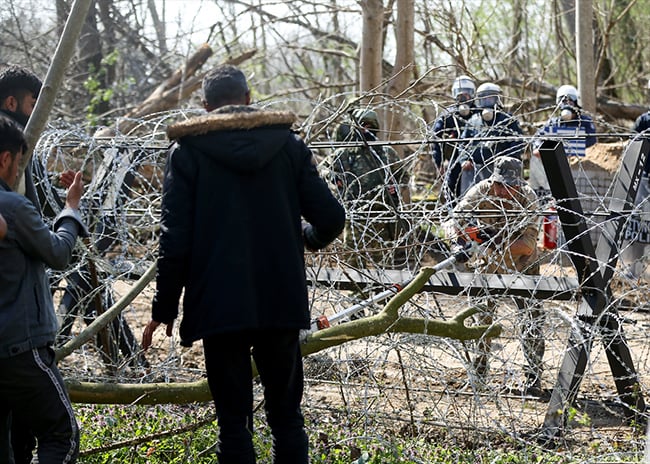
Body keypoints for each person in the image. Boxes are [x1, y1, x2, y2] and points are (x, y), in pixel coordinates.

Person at [142, 65, 345, 463]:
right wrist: (307, 239)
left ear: (205, 107)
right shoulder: (288, 146)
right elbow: (332, 218)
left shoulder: (187, 153)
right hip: (280, 300)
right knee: (287, 418)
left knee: (233, 425)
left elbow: (174, 239)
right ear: (248, 99)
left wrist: (164, 308)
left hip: (220, 304)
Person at [0, 115, 86, 463]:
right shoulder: (12, 207)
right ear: (6, 158)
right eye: (19, 163)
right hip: (20, 349)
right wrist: (71, 210)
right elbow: (58, 252)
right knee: (61, 435)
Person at [449, 156, 546, 397]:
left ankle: (533, 378)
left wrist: (488, 242)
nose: (503, 191)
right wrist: (458, 243)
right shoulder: (481, 191)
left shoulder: (528, 198)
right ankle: (478, 376)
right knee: (481, 322)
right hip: (488, 268)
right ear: (493, 181)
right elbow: (454, 220)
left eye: (510, 186)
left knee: (531, 323)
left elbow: (526, 246)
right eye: (500, 185)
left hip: (522, 268)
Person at [331, 108, 409, 268]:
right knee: (353, 260)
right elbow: (327, 171)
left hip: (380, 214)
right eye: (363, 126)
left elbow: (403, 176)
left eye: (370, 127)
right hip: (354, 215)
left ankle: (383, 292)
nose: (366, 130)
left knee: (383, 262)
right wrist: (334, 178)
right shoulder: (344, 154)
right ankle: (357, 293)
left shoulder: (386, 153)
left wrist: (395, 187)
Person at [445, 82, 525, 203]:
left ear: (498, 99)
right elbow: (462, 142)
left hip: (501, 170)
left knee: (500, 200)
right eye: (483, 98)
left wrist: (509, 161)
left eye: (491, 98)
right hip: (474, 170)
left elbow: (517, 142)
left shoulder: (507, 120)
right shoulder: (473, 120)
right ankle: (469, 219)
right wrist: (464, 159)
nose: (487, 102)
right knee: (471, 200)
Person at [529, 84, 597, 199]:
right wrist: (539, 148)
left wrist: (571, 149)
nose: (566, 105)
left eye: (570, 101)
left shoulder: (585, 122)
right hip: (557, 164)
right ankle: (544, 196)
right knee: (535, 161)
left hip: (579, 165)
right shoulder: (553, 123)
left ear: (576, 102)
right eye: (563, 102)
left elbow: (592, 141)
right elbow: (537, 139)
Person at [619, 93, 650, 279]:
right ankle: (635, 270)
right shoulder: (644, 121)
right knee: (639, 228)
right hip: (644, 181)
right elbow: (632, 145)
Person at [430, 75, 478, 172]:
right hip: (454, 158)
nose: (463, 97)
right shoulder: (448, 114)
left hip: (476, 159)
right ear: (454, 94)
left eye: (467, 93)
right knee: (452, 184)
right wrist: (439, 163)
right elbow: (435, 138)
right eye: (459, 94)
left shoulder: (479, 113)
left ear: (472, 94)